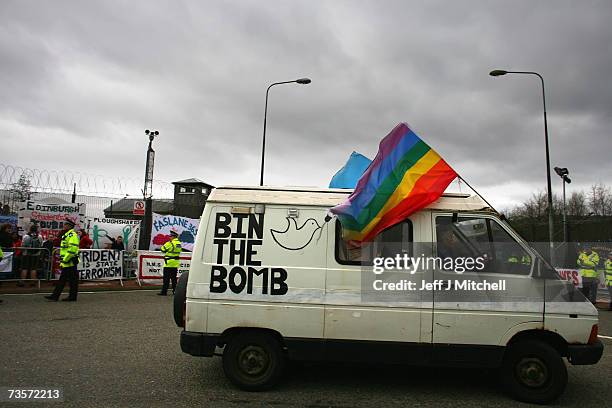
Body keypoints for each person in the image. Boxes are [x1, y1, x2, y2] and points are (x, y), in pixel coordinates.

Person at [45, 218, 80, 302]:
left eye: (65, 224)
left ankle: (58, 296)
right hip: (68, 260)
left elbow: (73, 248)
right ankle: (59, 296)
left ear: (69, 226)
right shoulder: (67, 234)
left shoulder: (72, 235)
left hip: (70, 260)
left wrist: (66, 259)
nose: (64, 226)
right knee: (67, 279)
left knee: (68, 280)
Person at [158, 229, 182, 296]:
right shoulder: (179, 243)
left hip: (168, 263)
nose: (169, 237)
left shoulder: (169, 243)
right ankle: (175, 291)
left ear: (173, 236)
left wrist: (167, 245)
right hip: (175, 263)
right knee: (174, 278)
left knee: (166, 278)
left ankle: (164, 292)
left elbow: (162, 249)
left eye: (170, 236)